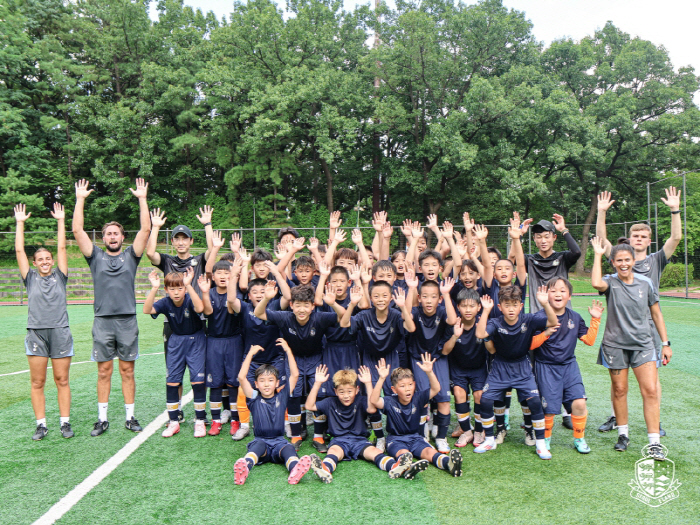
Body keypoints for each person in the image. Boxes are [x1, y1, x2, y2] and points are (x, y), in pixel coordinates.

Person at [595, 188, 682, 436]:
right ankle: (615, 417)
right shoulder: (621, 258)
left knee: (652, 381)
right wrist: (601, 213)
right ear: (630, 240)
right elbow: (602, 241)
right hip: (620, 328)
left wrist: (675, 210)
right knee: (618, 382)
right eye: (636, 236)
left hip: (649, 331)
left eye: (644, 236)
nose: (640, 239)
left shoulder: (656, 260)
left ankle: (656, 421)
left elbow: (675, 238)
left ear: (649, 240)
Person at [72, 179, 149, 437]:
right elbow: (77, 231)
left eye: (116, 233)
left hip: (127, 321)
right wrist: (80, 198)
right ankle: (102, 419)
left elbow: (146, 230)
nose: (112, 237)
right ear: (103, 238)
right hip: (103, 321)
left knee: (127, 370)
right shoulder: (95, 256)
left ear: (122, 237)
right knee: (104, 371)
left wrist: (142, 198)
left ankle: (130, 417)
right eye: (108, 234)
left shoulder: (131, 256)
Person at [590, 237, 671, 461]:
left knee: (651, 391)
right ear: (613, 263)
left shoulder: (646, 283)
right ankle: (623, 434)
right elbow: (596, 282)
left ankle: (654, 442)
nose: (623, 263)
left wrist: (665, 343)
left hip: (643, 344)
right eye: (619, 260)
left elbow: (656, 313)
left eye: (627, 259)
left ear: (633, 260)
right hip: (615, 345)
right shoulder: (610, 282)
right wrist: (597, 254)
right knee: (619, 390)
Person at [254, 283, 345, 452]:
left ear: (312, 306)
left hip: (316, 358)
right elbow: (258, 313)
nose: (301, 309)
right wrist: (267, 297)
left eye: (306, 305)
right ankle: (296, 435)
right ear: (291, 306)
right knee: (293, 395)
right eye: (298, 305)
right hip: (293, 359)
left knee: (319, 395)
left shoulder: (320, 318)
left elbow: (343, 317)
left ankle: (318, 436)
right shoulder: (284, 317)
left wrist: (332, 303)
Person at [146, 207, 214, 422]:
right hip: (172, 321)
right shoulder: (167, 261)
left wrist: (207, 225)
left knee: (198, 369)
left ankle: (200, 413)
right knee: (174, 368)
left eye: (185, 238)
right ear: (173, 242)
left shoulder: (199, 260)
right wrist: (155, 227)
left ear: (191, 242)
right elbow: (149, 253)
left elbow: (213, 251)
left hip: (197, 319)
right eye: (177, 239)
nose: (181, 242)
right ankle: (177, 411)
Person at [474, 285, 558, 460]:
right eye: (506, 304)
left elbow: (552, 322)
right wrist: (486, 311)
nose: (511, 309)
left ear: (521, 306)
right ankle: (489, 439)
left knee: (534, 402)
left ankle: (541, 443)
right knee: (486, 400)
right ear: (500, 307)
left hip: (522, 366)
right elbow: (481, 333)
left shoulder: (529, 319)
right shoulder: (495, 322)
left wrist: (545, 303)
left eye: (514, 304)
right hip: (500, 367)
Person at [305, 365, 429, 482]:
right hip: (339, 440)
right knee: (333, 453)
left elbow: (372, 409)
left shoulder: (361, 400)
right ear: (335, 392)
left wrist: (368, 383)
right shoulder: (330, 402)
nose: (346, 396)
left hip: (360, 440)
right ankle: (324, 469)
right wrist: (317, 383)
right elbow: (309, 405)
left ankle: (398, 467)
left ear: (357, 390)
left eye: (349, 391)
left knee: (375, 453)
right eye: (342, 392)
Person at [15, 203, 74, 440]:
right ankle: (41, 424)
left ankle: (65, 423)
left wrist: (61, 220)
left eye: (47, 258)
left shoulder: (60, 276)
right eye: (40, 259)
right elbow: (19, 251)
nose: (45, 262)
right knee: (38, 381)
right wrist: (20, 223)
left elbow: (61, 246)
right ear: (35, 262)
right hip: (36, 333)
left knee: (62, 379)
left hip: (60, 331)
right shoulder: (29, 278)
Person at [340, 283, 416, 452]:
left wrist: (403, 307)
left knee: (395, 396)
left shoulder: (396, 315)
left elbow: (411, 328)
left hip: (391, 359)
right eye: (376, 296)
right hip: (370, 359)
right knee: (371, 399)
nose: (380, 299)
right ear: (371, 298)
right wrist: (352, 304)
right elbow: (345, 324)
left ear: (391, 298)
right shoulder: (365, 315)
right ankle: (380, 436)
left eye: (384, 296)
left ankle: (396, 434)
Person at [531, 278, 603, 453]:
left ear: (569, 296)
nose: (558, 294)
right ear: (546, 295)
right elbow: (530, 345)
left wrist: (595, 319)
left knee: (579, 403)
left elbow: (589, 340)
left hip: (569, 366)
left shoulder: (575, 317)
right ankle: (545, 440)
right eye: (553, 290)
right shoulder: (538, 318)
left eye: (562, 291)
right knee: (549, 410)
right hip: (546, 367)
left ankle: (579, 439)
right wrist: (547, 333)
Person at [368, 355, 463, 477]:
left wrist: (429, 372)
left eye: (410, 385)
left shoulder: (418, 397)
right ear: (394, 389)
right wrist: (381, 378)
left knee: (429, 451)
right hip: (396, 440)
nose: (407, 389)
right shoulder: (390, 401)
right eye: (402, 386)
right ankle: (407, 467)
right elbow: (374, 400)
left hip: (416, 438)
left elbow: (436, 388)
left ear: (414, 385)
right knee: (404, 453)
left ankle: (448, 463)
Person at [226, 265, 292, 441]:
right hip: (253, 359)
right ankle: (245, 425)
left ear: (270, 291)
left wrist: (277, 273)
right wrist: (234, 275)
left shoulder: (276, 305)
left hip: (275, 357)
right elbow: (231, 298)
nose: (259, 294)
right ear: (249, 295)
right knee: (244, 391)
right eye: (254, 291)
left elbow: (288, 296)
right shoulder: (245, 308)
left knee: (280, 389)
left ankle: (284, 422)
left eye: (263, 291)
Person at [233, 342, 312, 485]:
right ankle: (245, 466)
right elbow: (241, 377)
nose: (266, 384)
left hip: (279, 441)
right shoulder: (253, 398)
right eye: (262, 381)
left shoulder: (282, 396)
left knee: (288, 449)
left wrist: (288, 350)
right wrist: (250, 354)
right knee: (258, 447)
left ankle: (295, 469)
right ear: (256, 384)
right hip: (261, 441)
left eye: (270, 380)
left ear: (277, 383)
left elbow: (295, 375)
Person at [143, 269, 208, 438]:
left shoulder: (189, 298)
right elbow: (147, 310)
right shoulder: (165, 302)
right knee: (172, 382)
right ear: (167, 290)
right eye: (172, 289)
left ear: (185, 289)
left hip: (196, 340)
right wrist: (154, 288)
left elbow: (200, 307)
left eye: (180, 288)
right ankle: (173, 422)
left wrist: (189, 285)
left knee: (198, 381)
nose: (176, 292)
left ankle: (200, 421)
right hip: (176, 341)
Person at [404, 277, 457, 454]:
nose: (429, 300)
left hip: (438, 359)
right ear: (419, 298)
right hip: (418, 359)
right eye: (425, 296)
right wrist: (411, 289)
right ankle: (422, 436)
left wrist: (447, 294)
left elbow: (452, 319)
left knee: (443, 397)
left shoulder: (442, 311)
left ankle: (441, 437)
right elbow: (407, 315)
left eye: (433, 297)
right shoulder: (415, 312)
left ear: (439, 299)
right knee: (422, 398)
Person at [200, 256, 244, 436]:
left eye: (227, 273)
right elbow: (208, 312)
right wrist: (204, 292)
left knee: (233, 383)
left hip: (234, 341)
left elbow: (232, 309)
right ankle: (216, 421)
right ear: (214, 277)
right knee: (215, 383)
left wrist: (234, 280)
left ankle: (235, 420)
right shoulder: (208, 293)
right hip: (214, 342)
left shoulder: (235, 295)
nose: (223, 276)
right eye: (219, 273)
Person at [439, 288, 488, 448]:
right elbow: (445, 351)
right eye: (464, 306)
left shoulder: (483, 324)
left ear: (478, 307)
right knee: (459, 394)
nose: (468, 310)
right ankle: (466, 431)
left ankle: (479, 431)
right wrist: (455, 336)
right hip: (458, 368)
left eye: (472, 306)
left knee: (479, 396)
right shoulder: (454, 325)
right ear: (458, 307)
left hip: (478, 368)